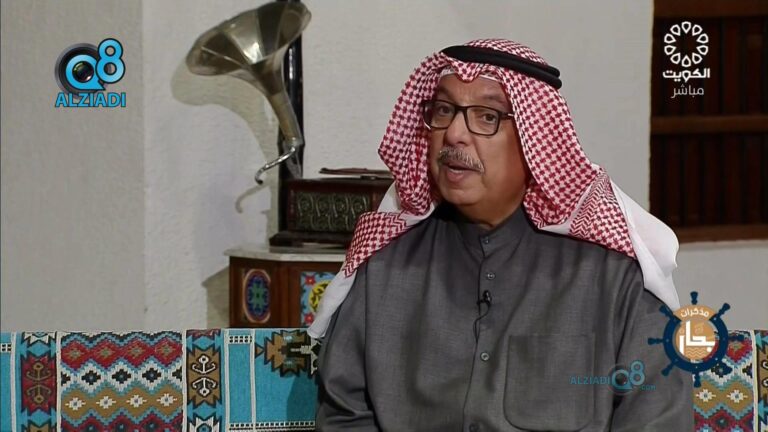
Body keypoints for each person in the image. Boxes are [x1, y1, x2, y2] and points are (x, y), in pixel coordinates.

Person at [309, 39, 693, 431]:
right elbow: (344, 415)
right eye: (443, 110)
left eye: (487, 116)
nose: (454, 134)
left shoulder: (614, 279)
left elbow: (657, 420)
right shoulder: (384, 267)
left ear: (536, 139)